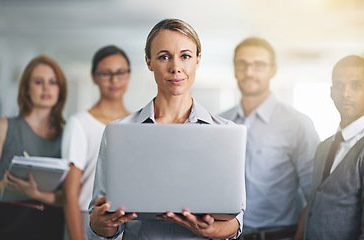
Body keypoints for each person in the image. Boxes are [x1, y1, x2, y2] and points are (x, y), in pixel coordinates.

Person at [87, 18, 244, 240]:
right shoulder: (118, 133)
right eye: (164, 57)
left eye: (185, 56)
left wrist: (209, 230)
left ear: (198, 60)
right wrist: (100, 223)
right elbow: (98, 223)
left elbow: (236, 222)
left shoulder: (226, 133)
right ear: (149, 62)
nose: (176, 68)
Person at [219, 37, 320, 240]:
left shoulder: (298, 124)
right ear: (234, 69)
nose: (249, 72)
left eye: (259, 65)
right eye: (242, 64)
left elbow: (316, 194)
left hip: (281, 236)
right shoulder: (218, 123)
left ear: (273, 70)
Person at [0, 55, 68, 240]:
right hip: (10, 225)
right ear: (26, 88)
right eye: (39, 82)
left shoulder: (68, 132)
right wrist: (12, 186)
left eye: (53, 82)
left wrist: (36, 193)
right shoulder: (3, 127)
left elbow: (70, 197)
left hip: (52, 225)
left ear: (60, 89)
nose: (46, 88)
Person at [62, 45, 131, 240]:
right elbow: (69, 193)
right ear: (94, 77)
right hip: (88, 216)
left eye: (121, 72)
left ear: (128, 75)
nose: (114, 79)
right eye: (106, 73)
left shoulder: (136, 124)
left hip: (127, 218)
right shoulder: (79, 123)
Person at [299, 55, 364, 240]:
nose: (346, 93)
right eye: (339, 85)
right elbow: (314, 202)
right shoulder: (324, 147)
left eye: (356, 85)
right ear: (331, 92)